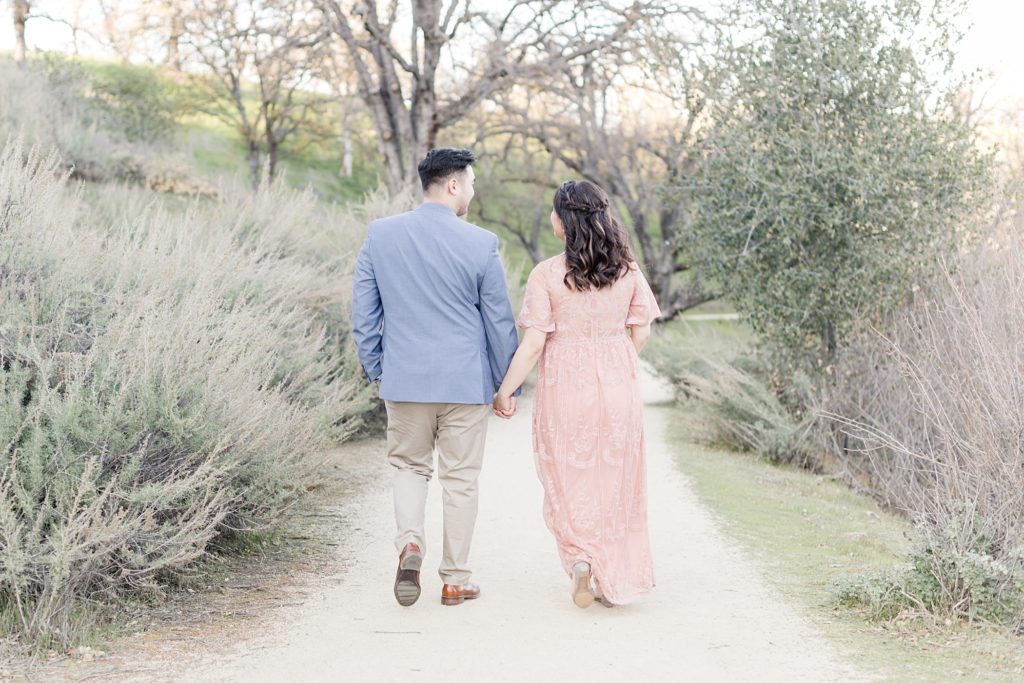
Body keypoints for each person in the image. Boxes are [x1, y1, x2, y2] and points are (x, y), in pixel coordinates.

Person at [351, 148, 519, 607]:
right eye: (470, 183)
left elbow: (364, 315)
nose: (471, 191)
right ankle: (455, 579)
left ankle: (410, 544)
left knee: (408, 466)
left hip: (404, 381)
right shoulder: (481, 243)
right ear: (452, 185)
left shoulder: (380, 235)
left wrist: (379, 368)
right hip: (465, 383)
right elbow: (499, 322)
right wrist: (507, 385)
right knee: (460, 479)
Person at [493, 180, 661, 608]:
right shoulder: (627, 270)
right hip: (617, 384)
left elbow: (532, 344)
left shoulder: (547, 273)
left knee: (569, 476)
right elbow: (641, 330)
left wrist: (505, 391)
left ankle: (581, 558)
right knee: (615, 479)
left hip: (565, 387)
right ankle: (608, 572)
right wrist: (615, 358)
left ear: (563, 221)